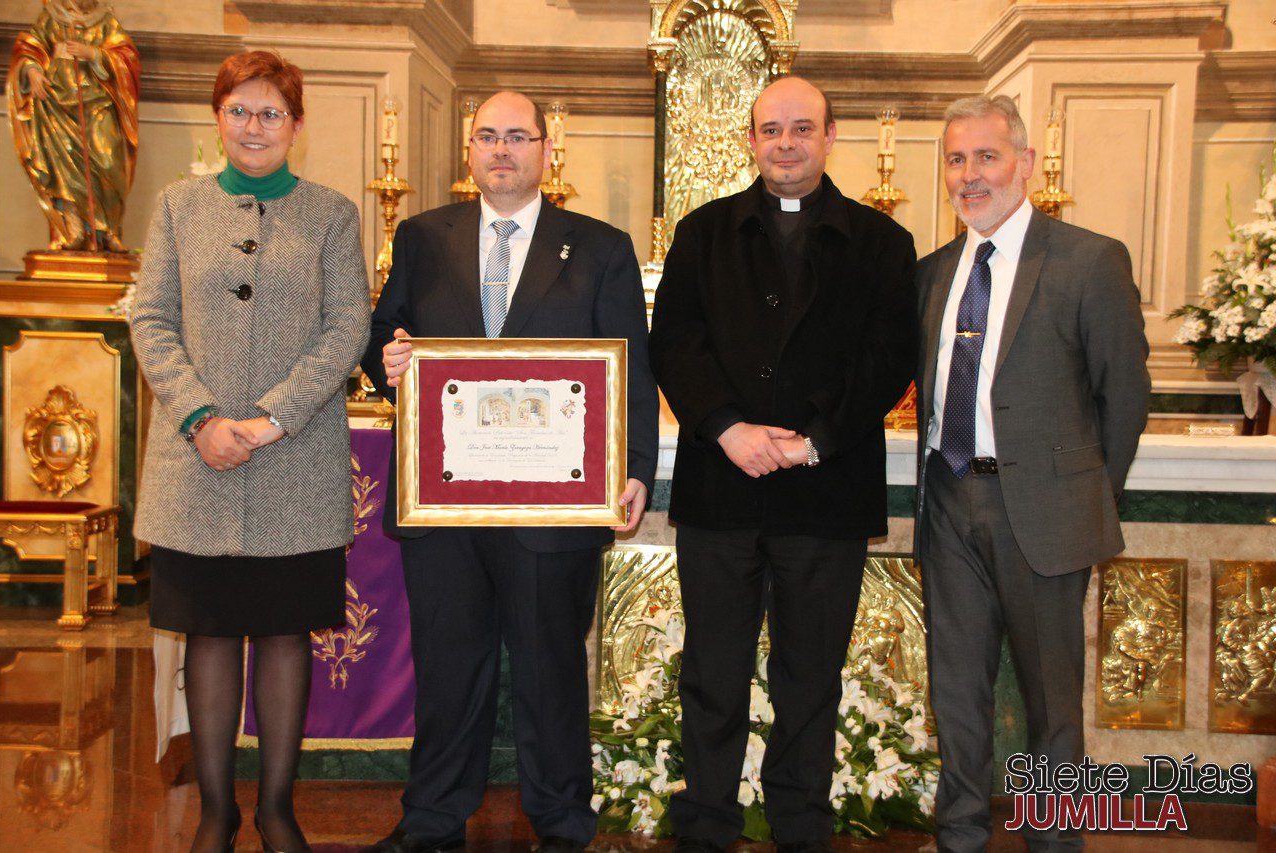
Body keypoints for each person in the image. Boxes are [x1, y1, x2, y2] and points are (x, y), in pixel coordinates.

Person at [361, 90, 659, 853]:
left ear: (546, 151)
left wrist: (633, 468)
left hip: (551, 506)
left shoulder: (599, 246)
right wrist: (386, 358)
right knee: (448, 670)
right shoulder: (423, 236)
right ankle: (431, 819)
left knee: (551, 669)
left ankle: (561, 821)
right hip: (444, 503)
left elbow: (630, 366)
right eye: (487, 136)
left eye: (518, 137)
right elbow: (380, 338)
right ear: (470, 150)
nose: (502, 149)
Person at [648, 76, 917, 852]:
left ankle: (802, 825)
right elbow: (676, 342)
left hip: (826, 491)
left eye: (803, 128)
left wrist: (813, 439)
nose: (787, 143)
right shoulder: (703, 234)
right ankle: (706, 824)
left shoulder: (881, 243)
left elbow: (887, 357)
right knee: (713, 674)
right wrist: (728, 427)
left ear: (831, 137)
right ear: (752, 140)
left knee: (810, 677)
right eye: (772, 130)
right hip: (721, 488)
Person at [130, 51, 370, 853]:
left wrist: (270, 419)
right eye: (240, 110)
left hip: (292, 461)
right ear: (218, 118)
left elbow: (347, 327)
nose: (254, 126)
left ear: (297, 127)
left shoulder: (332, 214)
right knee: (205, 632)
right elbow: (150, 320)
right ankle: (214, 813)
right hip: (194, 462)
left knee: (280, 632)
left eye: (271, 113)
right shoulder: (175, 208)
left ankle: (275, 808)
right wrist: (201, 416)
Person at [914, 95, 1150, 852]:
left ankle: (1055, 839)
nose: (970, 175)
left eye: (986, 156)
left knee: (1052, 701)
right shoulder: (932, 272)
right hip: (949, 500)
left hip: (1044, 512)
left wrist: (1085, 498)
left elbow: (1125, 397)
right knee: (955, 691)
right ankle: (958, 834)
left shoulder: (1088, 259)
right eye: (956, 159)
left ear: (1027, 162)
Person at [7, 0, 140, 251]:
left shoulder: (105, 20)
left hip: (99, 103)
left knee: (108, 160)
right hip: (57, 103)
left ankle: (108, 230)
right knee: (64, 167)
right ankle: (73, 231)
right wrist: (33, 71)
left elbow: (127, 56)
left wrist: (95, 54)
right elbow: (28, 48)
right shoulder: (51, 17)